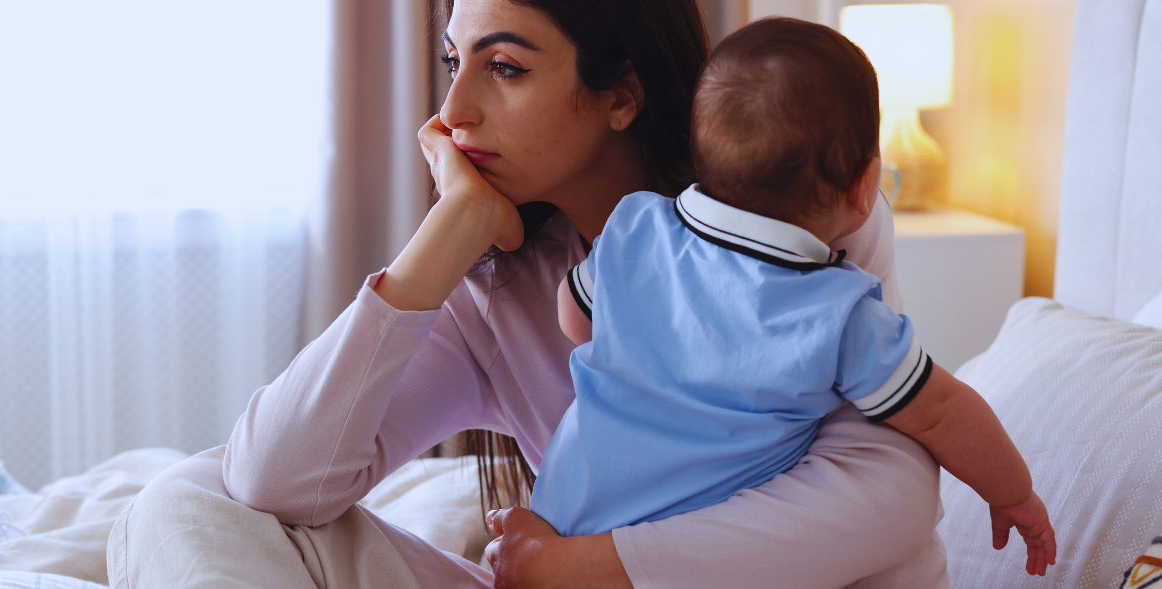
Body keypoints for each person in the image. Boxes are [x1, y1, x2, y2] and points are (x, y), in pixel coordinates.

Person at [106, 2, 953, 588]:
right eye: (452, 61)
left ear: (621, 94)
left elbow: (891, 494)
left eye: (503, 66)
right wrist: (446, 234)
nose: (452, 112)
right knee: (183, 501)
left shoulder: (797, 214)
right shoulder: (492, 288)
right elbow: (274, 479)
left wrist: (600, 567)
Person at [535, 18, 1057, 577]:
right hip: (674, 554)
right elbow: (944, 412)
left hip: (562, 517)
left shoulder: (636, 224)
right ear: (864, 186)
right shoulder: (840, 313)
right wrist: (1014, 494)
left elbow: (574, 318)